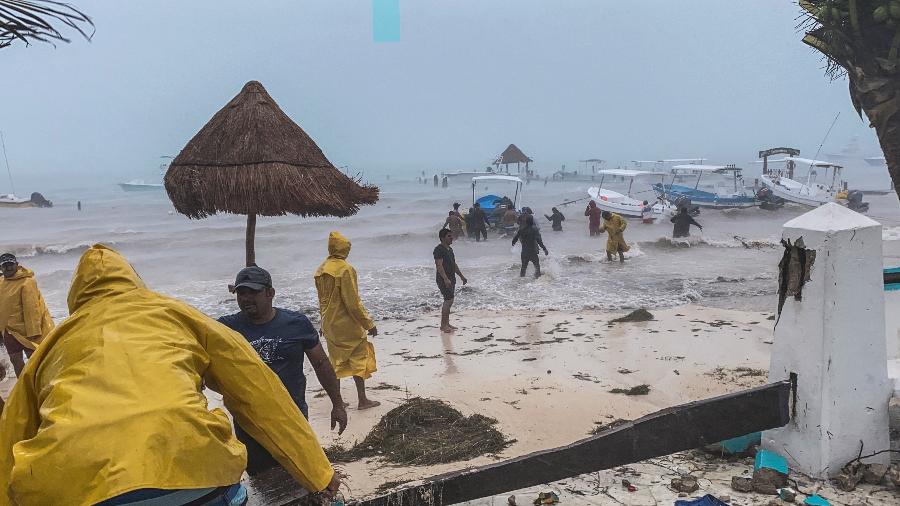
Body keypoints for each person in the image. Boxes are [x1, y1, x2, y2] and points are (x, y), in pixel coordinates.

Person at [0, 245, 339, 505]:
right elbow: (259, 394)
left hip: (73, 487)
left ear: (77, 293)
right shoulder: (177, 314)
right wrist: (318, 473)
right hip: (193, 475)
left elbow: (10, 432)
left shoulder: (53, 343)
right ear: (133, 280)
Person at [218, 266, 348, 475]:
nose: (246, 298)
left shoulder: (296, 324)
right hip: (251, 423)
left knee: (301, 474)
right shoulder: (225, 328)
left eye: (253, 292)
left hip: (292, 417)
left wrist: (338, 404)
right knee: (261, 480)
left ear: (270, 293)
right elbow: (199, 356)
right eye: (242, 293)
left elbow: (321, 364)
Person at [0, 253, 53, 377]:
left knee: (35, 361)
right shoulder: (2, 282)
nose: (8, 268)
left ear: (17, 265)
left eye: (10, 265)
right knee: (16, 362)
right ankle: (23, 390)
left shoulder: (27, 282)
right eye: (4, 266)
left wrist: (34, 332)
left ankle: (38, 385)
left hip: (28, 331)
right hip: (9, 331)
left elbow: (32, 309)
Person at [434, 229, 468, 332]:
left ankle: (446, 323)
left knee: (450, 300)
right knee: (448, 300)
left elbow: (454, 265)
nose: (451, 238)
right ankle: (443, 326)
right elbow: (439, 265)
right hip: (443, 279)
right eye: (449, 236)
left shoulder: (450, 249)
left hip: (451, 278)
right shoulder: (438, 249)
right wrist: (445, 279)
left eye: (451, 236)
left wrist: (461, 276)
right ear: (442, 238)